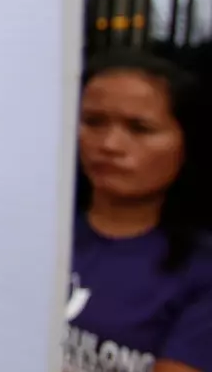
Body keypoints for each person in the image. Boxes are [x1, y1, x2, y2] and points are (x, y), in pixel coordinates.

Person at [65, 51, 212, 372]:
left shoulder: (201, 270)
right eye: (93, 122)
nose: (110, 144)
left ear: (187, 141)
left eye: (140, 128)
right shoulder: (35, 232)